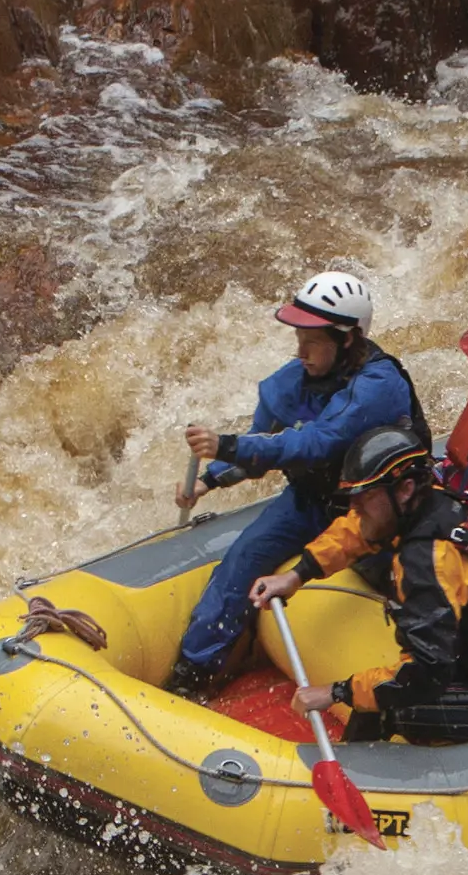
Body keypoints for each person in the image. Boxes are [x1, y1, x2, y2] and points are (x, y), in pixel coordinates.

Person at [165, 270, 423, 697]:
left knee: (406, 583)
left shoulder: (380, 385)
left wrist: (226, 445)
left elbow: (317, 442)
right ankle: (192, 676)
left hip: (380, 510)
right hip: (311, 501)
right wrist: (209, 483)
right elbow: (263, 444)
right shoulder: (288, 382)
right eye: (298, 338)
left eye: (312, 341)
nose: (300, 351)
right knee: (240, 562)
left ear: (346, 338)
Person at [245, 427, 468, 744]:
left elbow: (425, 675)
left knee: (379, 709)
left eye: (364, 498)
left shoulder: (425, 562)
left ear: (404, 489)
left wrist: (336, 692)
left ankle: (362, 792)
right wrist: (298, 573)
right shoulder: (435, 500)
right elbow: (359, 529)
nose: (354, 507)